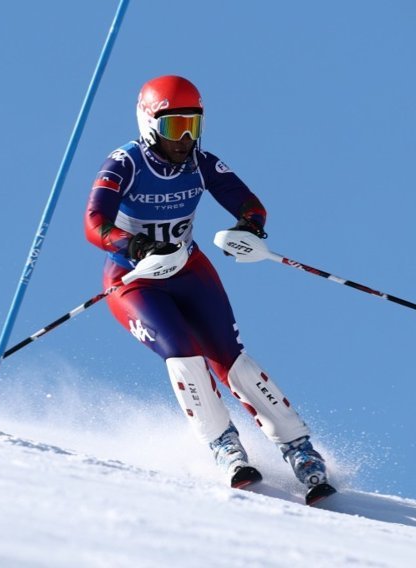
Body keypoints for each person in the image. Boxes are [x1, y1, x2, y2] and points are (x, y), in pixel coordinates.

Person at [84, 75, 334, 504]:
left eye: (192, 127)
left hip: (188, 269)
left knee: (228, 355)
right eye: (173, 127)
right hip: (134, 280)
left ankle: (300, 449)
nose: (184, 139)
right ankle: (225, 447)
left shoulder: (201, 163)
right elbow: (94, 223)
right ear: (148, 124)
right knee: (182, 350)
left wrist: (250, 228)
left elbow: (250, 204)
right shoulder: (123, 163)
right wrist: (137, 245)